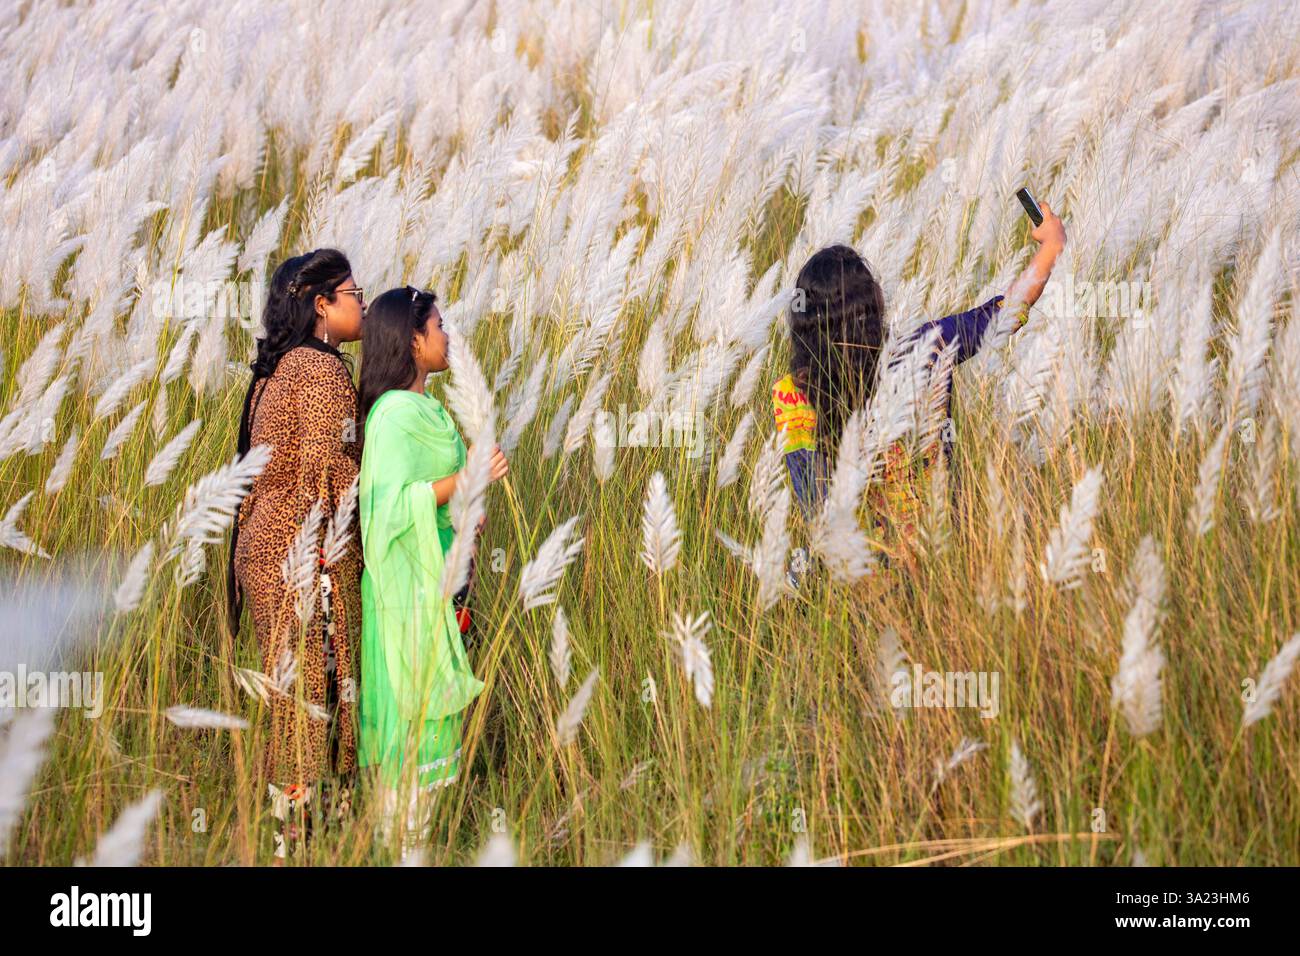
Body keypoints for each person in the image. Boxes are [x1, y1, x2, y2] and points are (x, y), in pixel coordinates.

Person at [773, 202, 1067, 567]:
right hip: (936, 557)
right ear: (872, 303)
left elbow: (813, 502)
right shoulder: (925, 350)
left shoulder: (791, 394)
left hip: (855, 576)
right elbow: (1004, 312)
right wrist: (1051, 247)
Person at [356, 285, 509, 856]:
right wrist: (467, 474)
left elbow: (433, 497)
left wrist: (466, 508)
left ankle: (412, 849)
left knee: (429, 754)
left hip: (439, 580)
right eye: (439, 327)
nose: (449, 337)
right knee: (410, 747)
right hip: (406, 598)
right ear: (412, 340)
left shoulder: (430, 409)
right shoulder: (393, 417)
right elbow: (386, 512)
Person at [228, 248, 366, 861]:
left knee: (290, 705)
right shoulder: (321, 370)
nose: (362, 303)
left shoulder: (274, 372)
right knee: (318, 702)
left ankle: (288, 838)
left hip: (263, 547)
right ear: (321, 305)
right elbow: (332, 471)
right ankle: (307, 846)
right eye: (353, 293)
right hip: (304, 556)